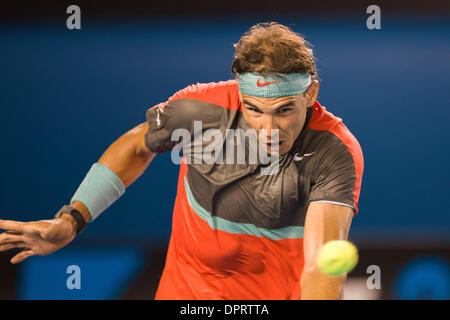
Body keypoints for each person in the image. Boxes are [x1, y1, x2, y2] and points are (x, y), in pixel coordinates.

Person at [0, 22, 363, 300]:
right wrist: (74, 217)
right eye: (254, 110)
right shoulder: (198, 110)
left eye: (284, 110)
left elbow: (320, 265)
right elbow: (135, 147)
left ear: (311, 92)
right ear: (240, 92)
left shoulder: (334, 151)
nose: (269, 129)